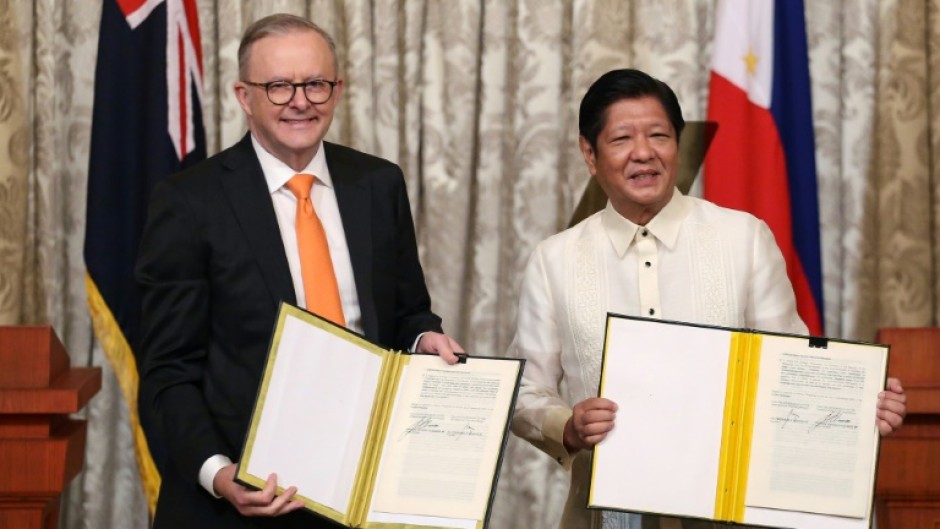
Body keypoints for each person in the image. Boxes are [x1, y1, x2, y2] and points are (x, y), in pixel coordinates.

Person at [509, 68, 907, 529]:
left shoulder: (744, 238)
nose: (643, 153)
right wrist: (568, 426)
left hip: (732, 509)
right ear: (590, 154)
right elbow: (526, 393)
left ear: (677, 144)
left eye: (659, 135)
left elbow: (794, 371)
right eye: (621, 139)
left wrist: (858, 406)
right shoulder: (553, 259)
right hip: (607, 511)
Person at [136, 13, 462, 529]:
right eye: (279, 86)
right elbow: (168, 370)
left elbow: (407, 312)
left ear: (337, 89)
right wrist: (221, 476)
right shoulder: (188, 202)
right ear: (244, 96)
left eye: (315, 84)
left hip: (363, 489)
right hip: (241, 500)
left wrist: (425, 338)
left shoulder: (377, 183)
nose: (300, 100)